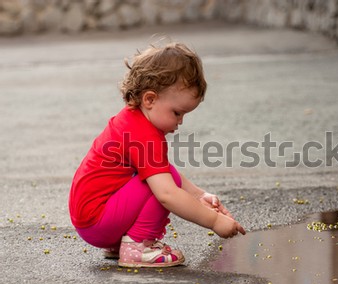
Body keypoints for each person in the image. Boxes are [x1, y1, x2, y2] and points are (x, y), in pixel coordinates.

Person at [69, 42, 246, 268]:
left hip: (91, 221)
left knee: (159, 174)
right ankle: (138, 247)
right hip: (98, 223)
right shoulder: (145, 134)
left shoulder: (132, 120)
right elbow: (166, 194)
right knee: (160, 185)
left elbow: (165, 171)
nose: (180, 122)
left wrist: (199, 196)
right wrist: (214, 221)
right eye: (177, 112)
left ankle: (124, 241)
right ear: (150, 99)